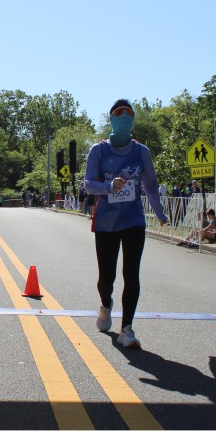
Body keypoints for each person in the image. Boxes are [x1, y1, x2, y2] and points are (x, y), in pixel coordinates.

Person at [85, 99, 168, 350]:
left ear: (133, 120)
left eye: (129, 114)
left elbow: (150, 185)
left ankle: (127, 328)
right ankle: (106, 304)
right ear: (111, 119)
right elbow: (89, 185)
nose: (124, 117)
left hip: (133, 220)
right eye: (119, 113)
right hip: (106, 222)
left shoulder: (141, 151)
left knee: (131, 274)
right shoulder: (99, 150)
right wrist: (110, 186)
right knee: (106, 277)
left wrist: (160, 213)